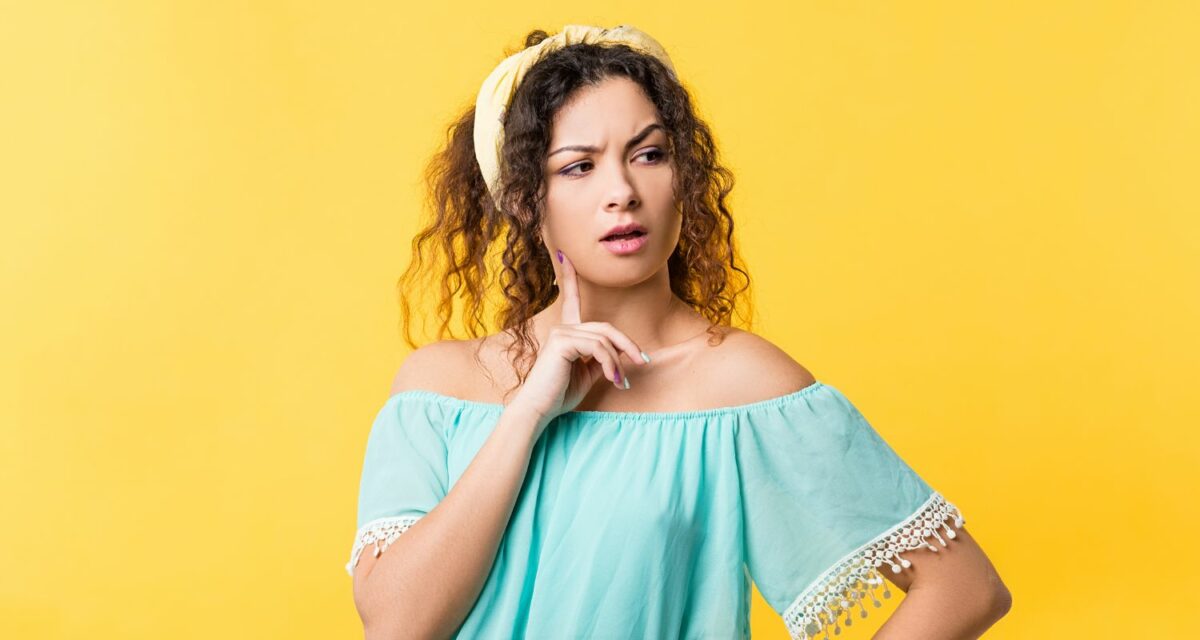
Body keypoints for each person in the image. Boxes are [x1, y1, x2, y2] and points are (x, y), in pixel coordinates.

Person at [346, 24, 1011, 640]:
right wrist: (527, 414)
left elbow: (965, 588)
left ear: (681, 178)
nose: (623, 192)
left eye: (650, 154)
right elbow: (398, 627)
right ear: (525, 201)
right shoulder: (439, 387)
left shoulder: (742, 384)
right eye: (580, 166)